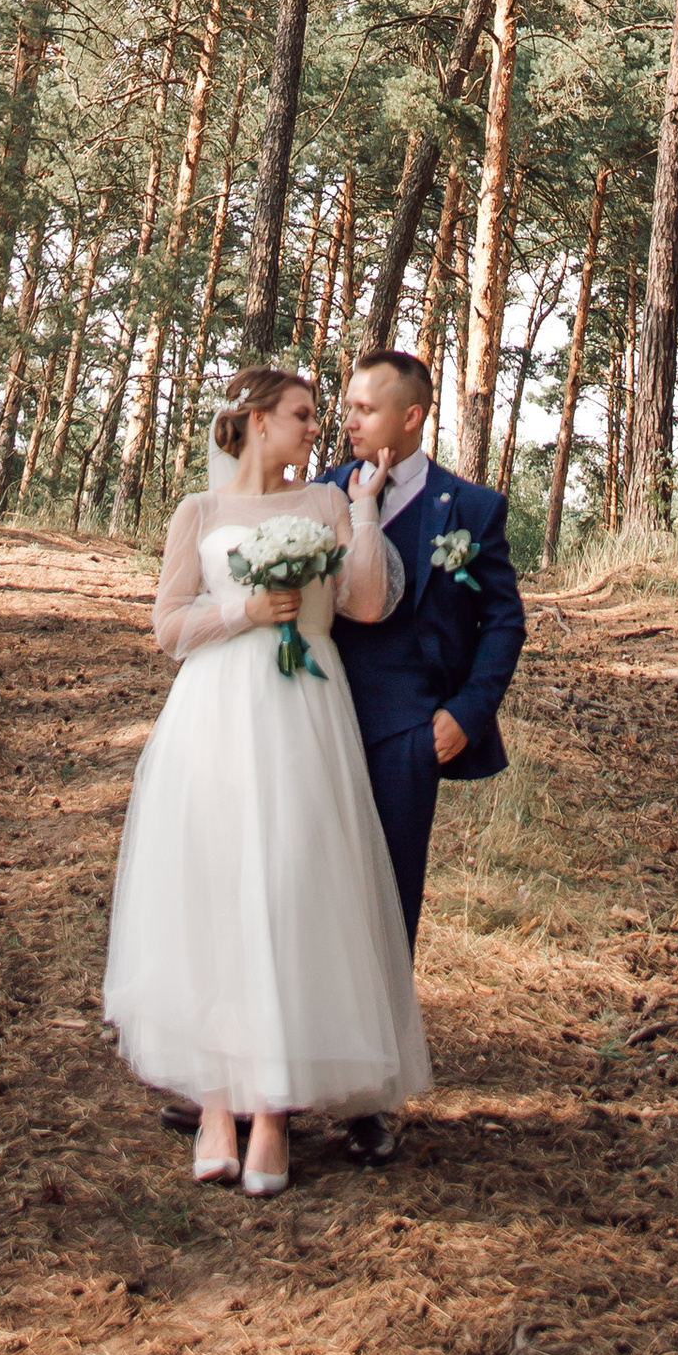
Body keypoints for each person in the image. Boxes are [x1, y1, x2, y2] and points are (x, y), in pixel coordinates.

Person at [102, 366, 430, 1194]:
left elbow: (362, 606)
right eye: (302, 415)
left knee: (290, 890)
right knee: (215, 893)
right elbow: (169, 626)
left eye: (320, 416)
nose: (316, 429)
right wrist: (244, 612)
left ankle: (276, 1112)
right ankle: (217, 1104)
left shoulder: (323, 504)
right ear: (253, 421)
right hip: (215, 714)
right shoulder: (200, 514)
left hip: (304, 715)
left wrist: (361, 509)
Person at [322, 347, 527, 1160]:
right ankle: (269, 1074)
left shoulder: (471, 508)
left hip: (411, 731)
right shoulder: (324, 492)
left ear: (411, 419)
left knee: (385, 904)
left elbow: (504, 621)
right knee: (301, 895)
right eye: (345, 408)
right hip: (319, 717)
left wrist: (466, 716)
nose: (349, 421)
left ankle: (369, 1092)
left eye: (365, 410)